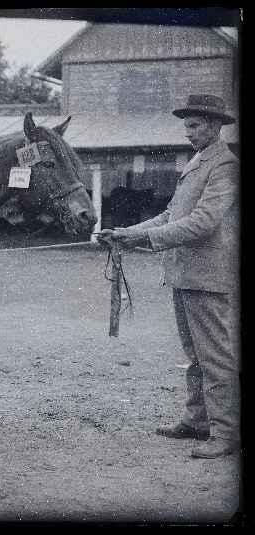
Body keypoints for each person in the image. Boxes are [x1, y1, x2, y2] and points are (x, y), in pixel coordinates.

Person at [101, 94, 240, 459]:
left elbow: (203, 222)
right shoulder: (197, 163)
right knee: (195, 353)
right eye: (186, 126)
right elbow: (168, 216)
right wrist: (125, 233)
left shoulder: (225, 166)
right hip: (184, 273)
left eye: (194, 126)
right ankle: (197, 422)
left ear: (215, 125)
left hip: (208, 275)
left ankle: (226, 434)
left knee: (216, 357)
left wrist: (146, 239)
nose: (187, 133)